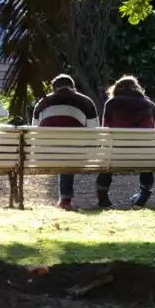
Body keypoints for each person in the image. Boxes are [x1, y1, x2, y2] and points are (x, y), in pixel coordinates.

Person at [31, 74, 99, 210]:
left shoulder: (42, 102)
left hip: (46, 154)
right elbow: (94, 131)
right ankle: (66, 199)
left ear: (53, 88)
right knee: (70, 150)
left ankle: (64, 199)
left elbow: (35, 131)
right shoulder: (86, 102)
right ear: (73, 87)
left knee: (63, 149)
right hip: (76, 154)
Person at [95, 76, 155, 208]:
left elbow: (106, 130)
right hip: (142, 154)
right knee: (147, 151)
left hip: (116, 152)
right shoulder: (149, 104)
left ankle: (103, 196)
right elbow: (151, 131)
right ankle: (144, 191)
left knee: (107, 154)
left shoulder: (111, 103)